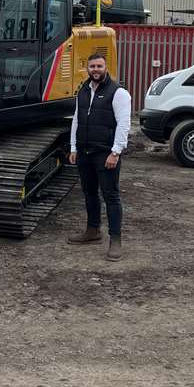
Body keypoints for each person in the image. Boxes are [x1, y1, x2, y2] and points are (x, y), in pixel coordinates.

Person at [68, 53, 131, 261]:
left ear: (106, 67)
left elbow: (124, 124)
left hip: (105, 153)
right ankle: (93, 230)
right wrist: (74, 147)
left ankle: (115, 240)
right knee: (89, 193)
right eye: (92, 66)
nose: (96, 69)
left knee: (111, 196)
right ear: (87, 68)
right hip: (85, 152)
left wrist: (116, 152)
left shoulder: (119, 93)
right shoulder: (83, 90)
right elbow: (76, 119)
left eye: (99, 66)